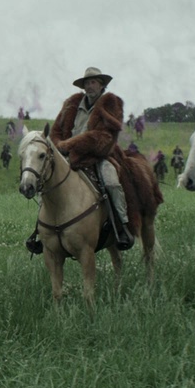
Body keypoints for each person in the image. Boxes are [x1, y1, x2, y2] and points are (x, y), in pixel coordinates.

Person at [27, 67, 137, 252]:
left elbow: (104, 137)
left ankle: (122, 227)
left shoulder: (111, 104)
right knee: (46, 182)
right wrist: (60, 146)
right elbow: (56, 132)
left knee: (111, 182)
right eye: (86, 83)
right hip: (68, 156)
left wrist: (69, 145)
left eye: (93, 82)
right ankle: (40, 231)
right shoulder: (72, 104)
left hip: (98, 155)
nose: (89, 86)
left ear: (101, 85)